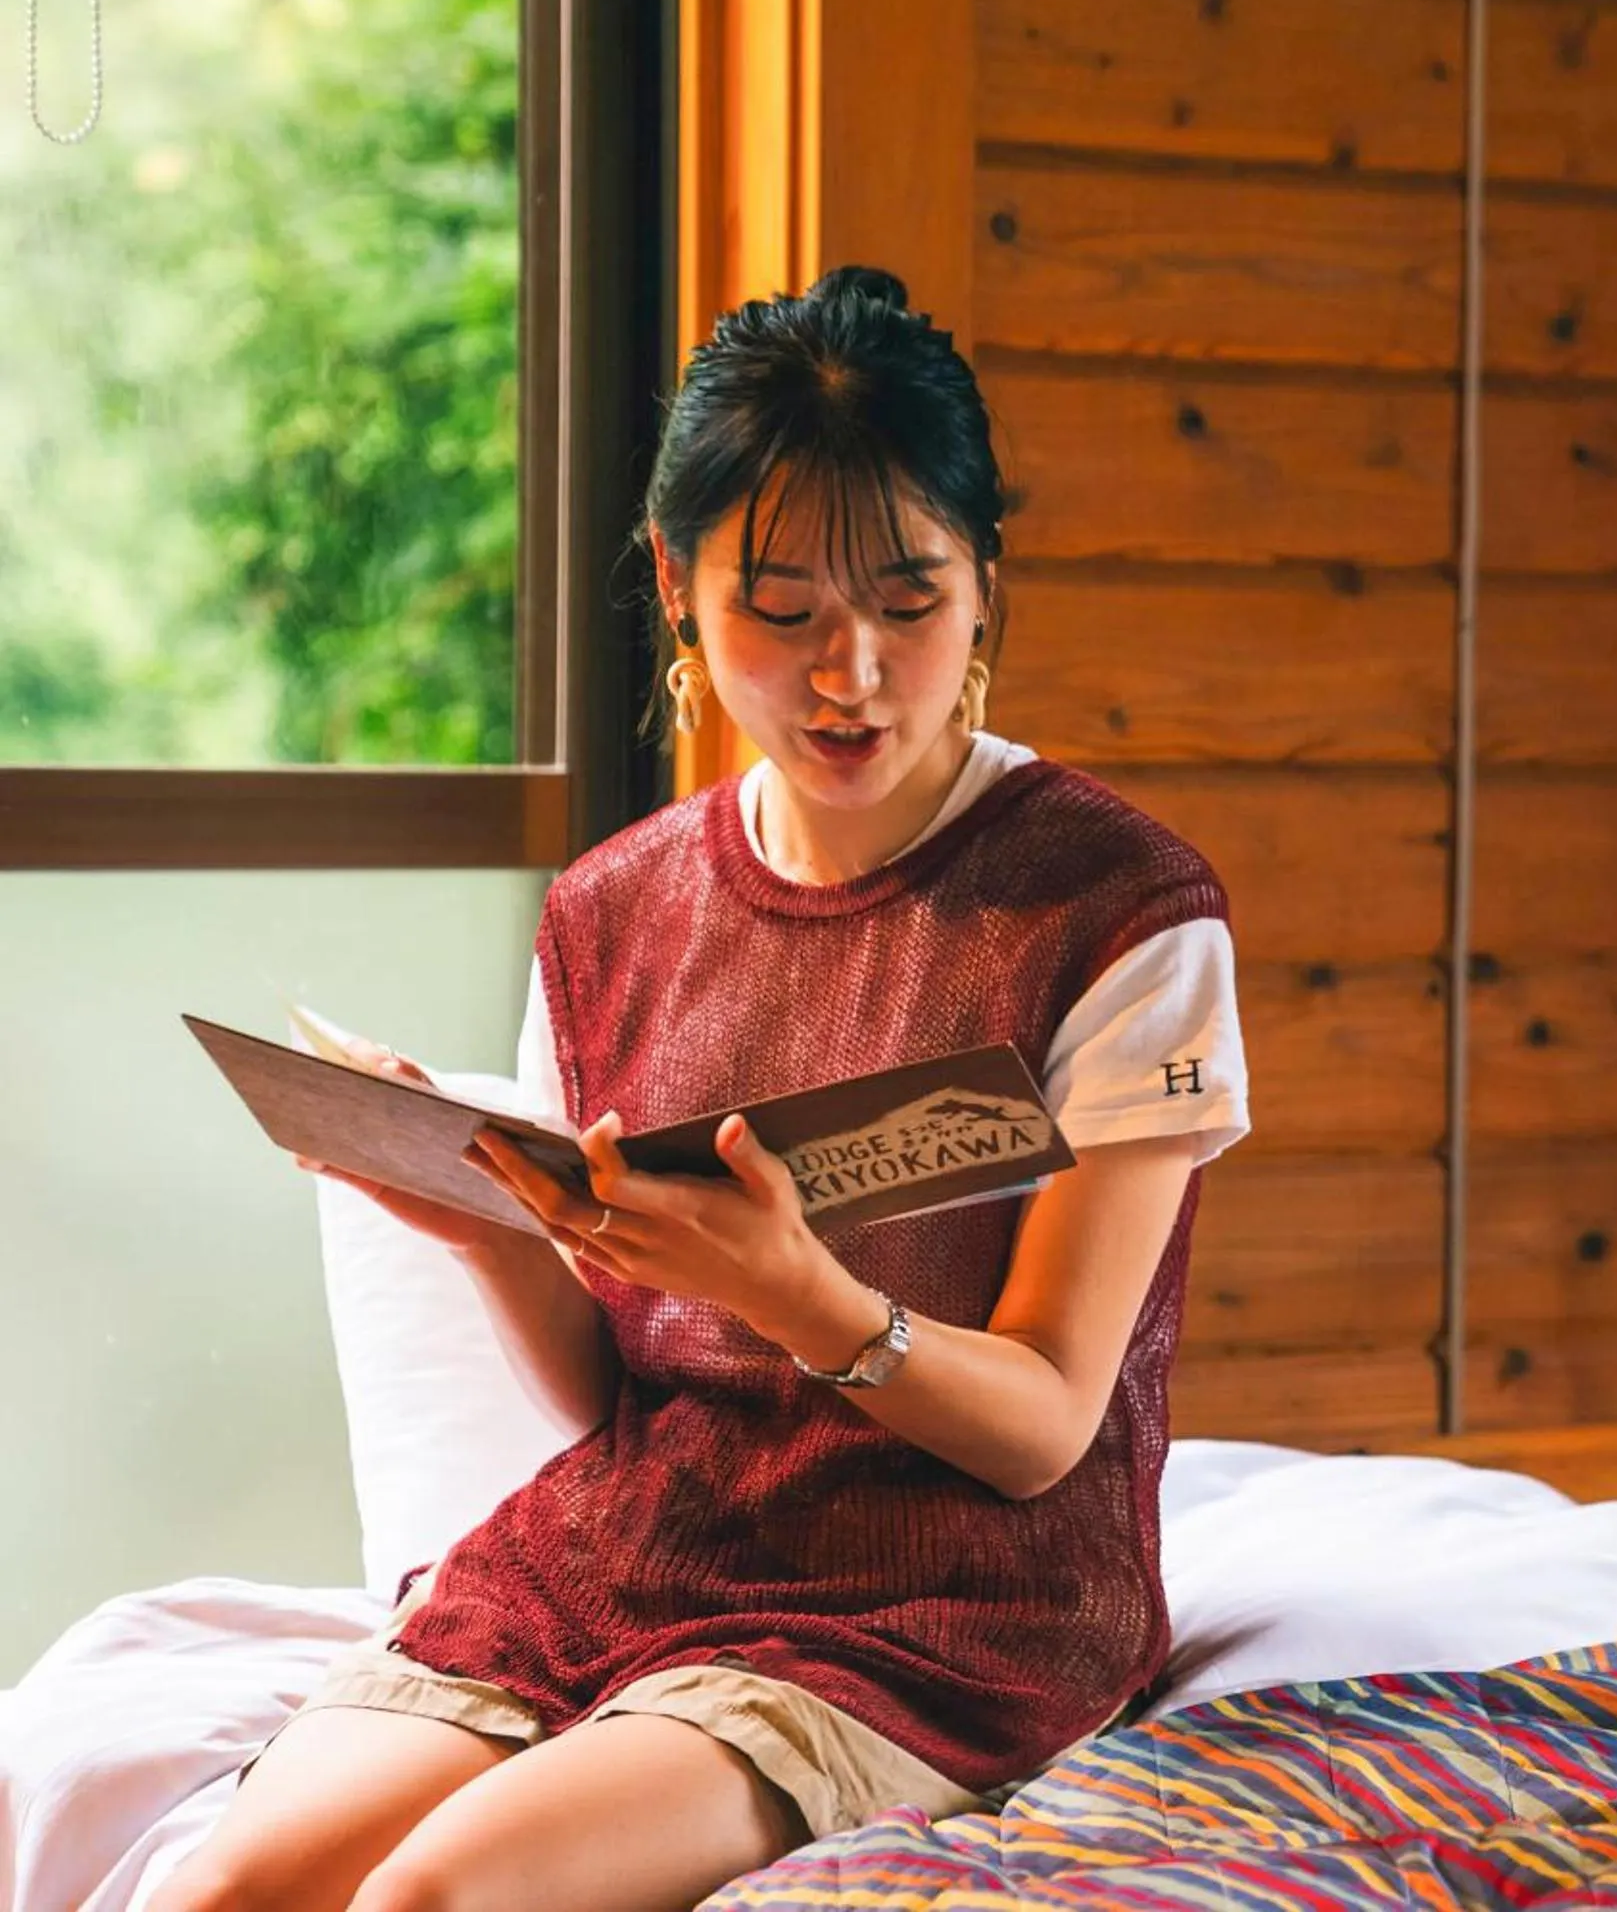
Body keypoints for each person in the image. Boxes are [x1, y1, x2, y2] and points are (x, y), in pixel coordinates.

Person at [150, 265, 1250, 1912]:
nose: (852, 672)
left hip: (950, 1596)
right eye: (783, 608)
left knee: (430, 1903)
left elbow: (1042, 1435)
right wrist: (478, 1220)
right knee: (223, 1896)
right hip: (641, 1544)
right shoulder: (606, 913)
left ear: (987, 581)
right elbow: (618, 1397)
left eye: (910, 599)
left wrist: (806, 1298)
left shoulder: (1119, 913)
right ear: (677, 585)